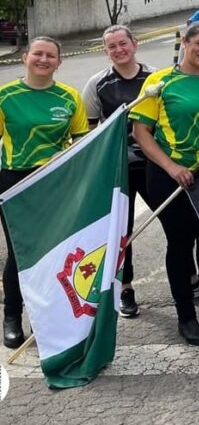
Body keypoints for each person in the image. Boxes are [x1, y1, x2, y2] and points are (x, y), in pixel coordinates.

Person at [131, 23, 199, 346]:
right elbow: (142, 134)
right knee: (180, 244)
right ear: (185, 42)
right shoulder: (159, 82)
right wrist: (171, 166)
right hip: (169, 176)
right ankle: (186, 316)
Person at [0, 37, 89, 348]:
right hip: (15, 182)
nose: (43, 59)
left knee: (54, 253)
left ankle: (50, 318)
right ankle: (12, 316)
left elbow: (82, 142)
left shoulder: (69, 97)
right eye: (37, 53)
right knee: (20, 253)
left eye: (50, 56)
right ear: (25, 57)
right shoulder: (5, 96)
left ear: (59, 62)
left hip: (55, 183)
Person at [82, 25, 154, 319]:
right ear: (105, 51)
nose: (119, 50)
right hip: (118, 168)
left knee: (177, 222)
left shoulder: (155, 78)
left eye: (123, 43)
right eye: (112, 46)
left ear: (135, 44)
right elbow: (88, 132)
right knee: (121, 232)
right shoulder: (97, 84)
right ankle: (125, 289)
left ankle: (190, 277)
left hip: (153, 163)